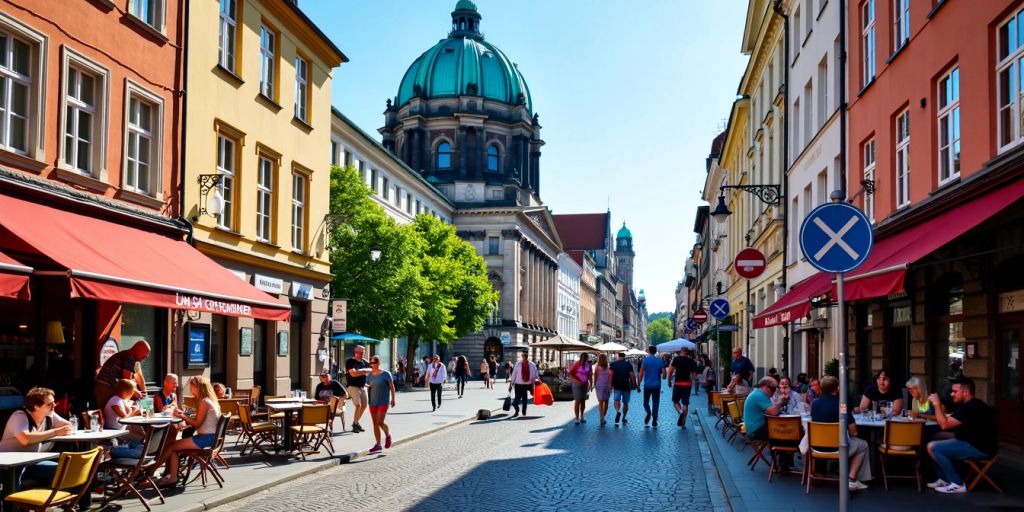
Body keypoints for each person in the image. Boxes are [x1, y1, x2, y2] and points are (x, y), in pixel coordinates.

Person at [925, 377, 998, 494]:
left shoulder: (971, 408)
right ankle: (944, 479)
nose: (951, 394)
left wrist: (937, 404)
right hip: (970, 440)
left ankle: (957, 483)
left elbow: (944, 424)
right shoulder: (969, 405)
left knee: (932, 447)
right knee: (935, 436)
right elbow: (948, 419)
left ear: (966, 392)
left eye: (955, 391)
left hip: (980, 447)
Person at [806, 376, 872, 491]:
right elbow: (854, 432)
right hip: (837, 448)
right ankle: (851, 479)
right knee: (863, 445)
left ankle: (820, 473)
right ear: (837, 388)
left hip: (816, 448)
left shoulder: (814, 404)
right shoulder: (842, 405)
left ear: (821, 388)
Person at [0, 387, 73, 490]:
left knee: (64, 470)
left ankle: (41, 502)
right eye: (49, 404)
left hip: (31, 463)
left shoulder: (49, 414)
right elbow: (24, 439)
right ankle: (14, 505)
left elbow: (68, 425)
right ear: (36, 407)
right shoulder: (20, 416)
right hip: (9, 465)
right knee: (13, 483)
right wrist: (55, 432)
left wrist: (61, 429)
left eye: (53, 402)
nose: (54, 405)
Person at [154, 376, 221, 487]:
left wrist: (183, 416)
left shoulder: (204, 402)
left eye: (191, 387)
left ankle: (151, 470)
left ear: (197, 387)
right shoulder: (210, 400)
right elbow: (201, 421)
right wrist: (185, 415)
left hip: (206, 439)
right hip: (211, 438)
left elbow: (196, 424)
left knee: (171, 446)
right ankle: (172, 477)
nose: (190, 389)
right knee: (173, 447)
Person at [94, 340, 150, 412]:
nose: (146, 356)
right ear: (138, 349)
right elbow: (127, 383)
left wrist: (143, 391)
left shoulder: (127, 356)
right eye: (145, 353)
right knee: (108, 417)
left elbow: (138, 376)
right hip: (107, 389)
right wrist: (137, 393)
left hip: (102, 388)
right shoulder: (129, 358)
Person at [366, 355, 397, 453]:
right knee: (375, 424)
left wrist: (393, 399)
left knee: (380, 422)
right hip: (372, 402)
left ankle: (388, 435)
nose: (373, 364)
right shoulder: (369, 375)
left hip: (383, 401)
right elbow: (367, 386)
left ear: (379, 362)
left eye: (374, 362)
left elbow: (392, 387)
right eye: (371, 363)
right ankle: (378, 444)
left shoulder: (386, 374)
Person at [667, 346, 698, 428]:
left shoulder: (676, 359)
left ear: (681, 351)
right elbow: (695, 376)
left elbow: (670, 371)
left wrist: (669, 381)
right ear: (687, 352)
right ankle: (683, 422)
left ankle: (680, 412)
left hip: (677, 383)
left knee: (675, 401)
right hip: (687, 384)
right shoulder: (691, 361)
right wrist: (698, 380)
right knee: (685, 403)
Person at [346, 345, 372, 433]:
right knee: (358, 405)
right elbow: (353, 374)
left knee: (364, 405)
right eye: (360, 353)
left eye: (363, 353)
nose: (362, 354)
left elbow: (371, 369)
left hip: (363, 386)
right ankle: (355, 425)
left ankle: (355, 423)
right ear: (355, 352)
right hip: (353, 386)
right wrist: (364, 372)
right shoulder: (350, 361)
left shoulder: (364, 361)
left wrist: (361, 371)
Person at [637, 346, 665, 427]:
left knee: (646, 402)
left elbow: (641, 374)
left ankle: (649, 413)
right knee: (656, 402)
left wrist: (638, 384)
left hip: (647, 385)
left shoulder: (645, 360)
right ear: (656, 351)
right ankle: (654, 420)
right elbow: (664, 375)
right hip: (656, 385)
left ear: (649, 351)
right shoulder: (659, 361)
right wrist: (662, 375)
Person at [609, 352, 637, 425]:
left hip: (617, 385)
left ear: (618, 356)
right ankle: (624, 417)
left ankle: (618, 411)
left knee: (616, 400)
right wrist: (634, 384)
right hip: (626, 386)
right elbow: (632, 375)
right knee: (625, 403)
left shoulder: (613, 364)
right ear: (624, 357)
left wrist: (610, 385)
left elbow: (610, 375)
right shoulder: (628, 364)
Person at [508, 351, 538, 418]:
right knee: (520, 399)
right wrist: (511, 384)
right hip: (521, 384)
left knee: (522, 399)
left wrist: (511, 384)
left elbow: (535, 375)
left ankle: (521, 412)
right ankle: (519, 411)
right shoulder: (520, 364)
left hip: (524, 384)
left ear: (525, 357)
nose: (523, 358)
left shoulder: (529, 364)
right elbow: (514, 375)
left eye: (523, 357)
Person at [568, 355, 593, 425]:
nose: (584, 361)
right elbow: (570, 372)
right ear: (581, 358)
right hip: (576, 385)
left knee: (583, 401)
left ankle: (582, 416)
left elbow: (590, 375)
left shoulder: (588, 365)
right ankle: (576, 418)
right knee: (577, 400)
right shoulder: (576, 363)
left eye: (586, 359)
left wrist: (591, 384)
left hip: (585, 385)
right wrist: (574, 380)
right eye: (583, 360)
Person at [591, 354, 612, 426]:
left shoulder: (597, 368)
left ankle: (601, 418)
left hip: (599, 385)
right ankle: (603, 417)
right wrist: (611, 386)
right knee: (606, 402)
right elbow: (610, 377)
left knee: (600, 402)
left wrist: (594, 385)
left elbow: (595, 377)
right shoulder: (608, 367)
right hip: (607, 385)